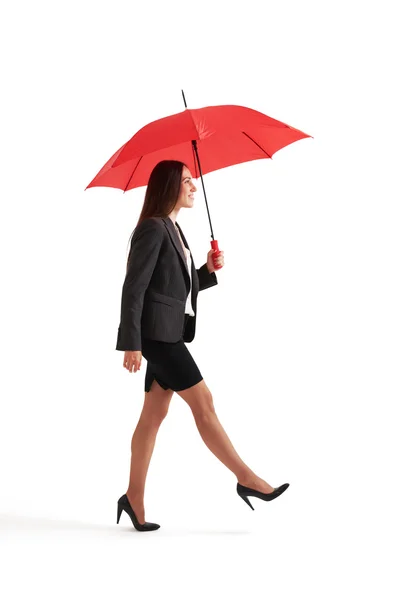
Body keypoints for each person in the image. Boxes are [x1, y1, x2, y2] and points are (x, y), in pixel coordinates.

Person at [115, 160, 289, 531]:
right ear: (169, 187)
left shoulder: (173, 229)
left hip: (168, 334)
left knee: (152, 417)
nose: (194, 187)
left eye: (193, 181)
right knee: (204, 402)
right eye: (187, 182)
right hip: (159, 339)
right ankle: (246, 477)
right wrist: (131, 342)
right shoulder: (152, 228)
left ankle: (133, 498)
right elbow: (134, 288)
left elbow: (172, 286)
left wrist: (206, 271)